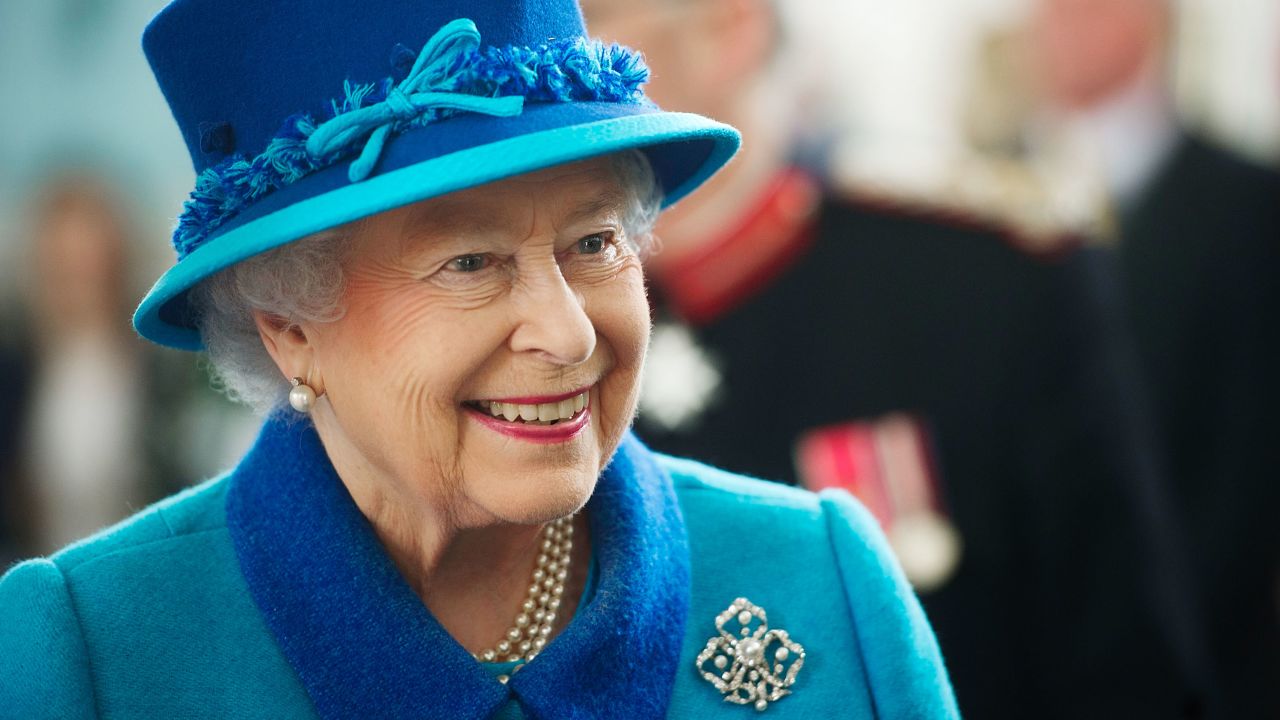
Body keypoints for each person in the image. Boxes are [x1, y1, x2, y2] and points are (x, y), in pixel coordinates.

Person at [0, 1, 959, 717]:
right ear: (289, 327)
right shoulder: (89, 654)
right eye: (471, 262)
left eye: (595, 243)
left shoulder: (823, 581)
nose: (570, 331)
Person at [582, 0, 1204, 717]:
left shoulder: (979, 284)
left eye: (584, 16)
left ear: (729, 28)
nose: (543, 54)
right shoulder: (527, 317)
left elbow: (1125, 672)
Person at [1024, 1, 1280, 715]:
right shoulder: (981, 192)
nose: (1054, 24)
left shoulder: (1250, 207)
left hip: (1209, 660)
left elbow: (1248, 461)